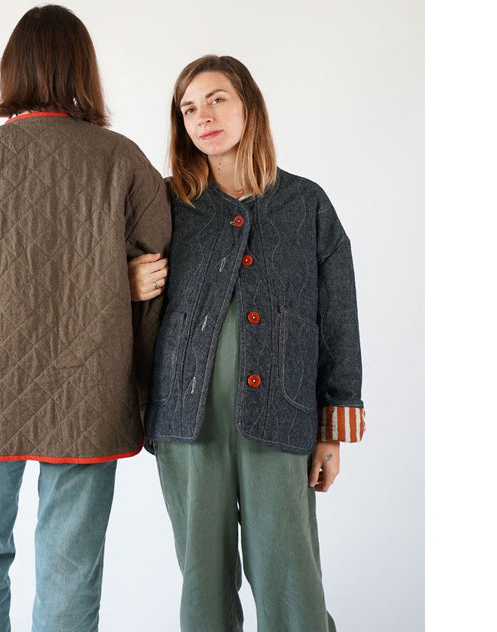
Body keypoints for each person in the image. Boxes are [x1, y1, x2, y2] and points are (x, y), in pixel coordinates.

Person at [0, 4, 171, 632]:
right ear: (85, 70)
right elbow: (156, 282)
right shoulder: (124, 161)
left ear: (11, 70)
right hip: (90, 394)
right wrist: (112, 302)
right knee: (71, 571)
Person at [129, 54, 365, 632]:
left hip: (282, 414)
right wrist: (125, 282)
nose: (203, 116)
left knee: (291, 580)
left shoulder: (306, 204)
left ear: (249, 106)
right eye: (189, 109)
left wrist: (333, 429)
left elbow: (338, 316)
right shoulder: (166, 202)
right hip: (187, 421)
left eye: (216, 100)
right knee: (203, 583)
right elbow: (117, 289)